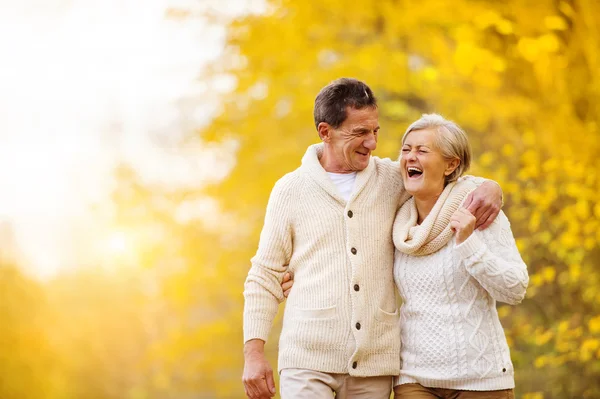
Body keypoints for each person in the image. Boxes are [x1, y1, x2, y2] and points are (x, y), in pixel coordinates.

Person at [243, 78, 503, 399]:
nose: (372, 143)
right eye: (359, 133)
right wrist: (254, 353)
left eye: (375, 131)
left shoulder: (390, 178)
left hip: (375, 366)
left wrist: (491, 188)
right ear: (326, 132)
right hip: (307, 359)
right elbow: (265, 274)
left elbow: (445, 177)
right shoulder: (290, 190)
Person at [391, 114, 528, 398]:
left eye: (422, 150)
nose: (410, 157)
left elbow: (516, 288)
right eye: (406, 149)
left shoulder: (480, 212)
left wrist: (468, 244)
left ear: (451, 164)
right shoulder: (397, 221)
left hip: (480, 380)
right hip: (413, 378)